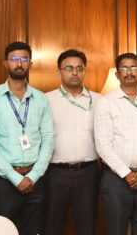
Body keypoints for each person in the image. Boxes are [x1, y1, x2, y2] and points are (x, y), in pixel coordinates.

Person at [0, 41, 54, 235]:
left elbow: (48, 139)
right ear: (6, 63)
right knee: (4, 231)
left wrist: (33, 176)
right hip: (5, 181)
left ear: (30, 63)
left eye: (24, 59)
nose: (19, 63)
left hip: (36, 180)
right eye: (14, 59)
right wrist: (15, 178)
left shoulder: (41, 99)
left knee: (35, 230)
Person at [94, 53, 137, 235]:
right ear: (117, 74)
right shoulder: (105, 103)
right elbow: (102, 144)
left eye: (133, 67)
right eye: (124, 68)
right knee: (115, 229)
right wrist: (127, 174)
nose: (129, 72)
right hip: (116, 180)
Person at [44, 49, 101, 235]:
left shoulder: (100, 100)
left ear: (84, 70)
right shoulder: (46, 100)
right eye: (69, 68)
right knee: (52, 225)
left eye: (79, 68)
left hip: (89, 172)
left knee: (87, 227)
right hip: (55, 173)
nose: (74, 72)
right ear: (59, 71)